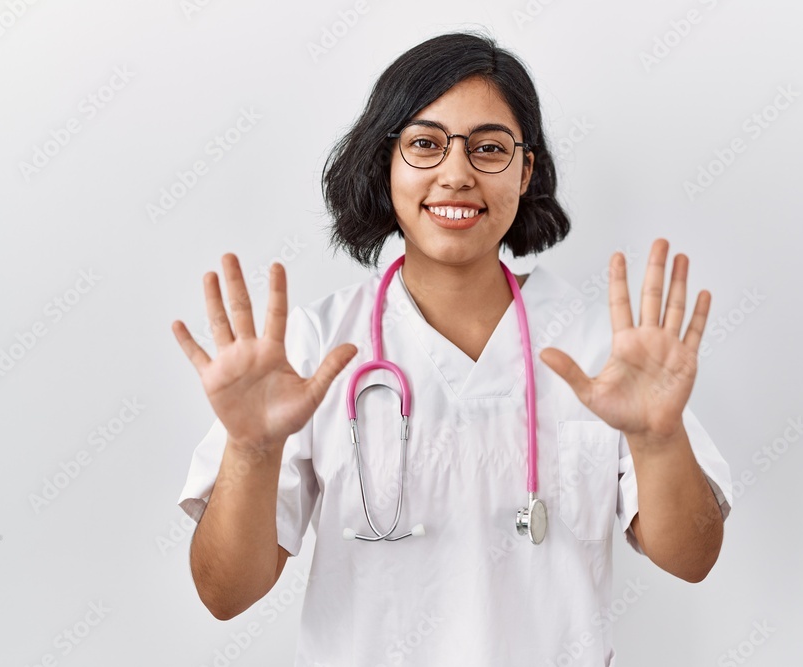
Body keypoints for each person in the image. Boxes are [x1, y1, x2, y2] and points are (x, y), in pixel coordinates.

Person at [172, 30, 732, 667]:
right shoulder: (315, 349)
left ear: (525, 170)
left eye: (489, 148)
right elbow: (225, 594)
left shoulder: (603, 349)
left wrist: (659, 441)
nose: (457, 173)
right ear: (386, 163)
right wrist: (253, 448)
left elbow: (691, 560)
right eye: (425, 144)